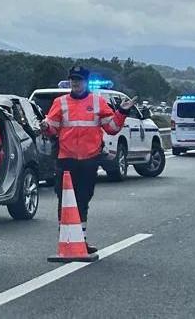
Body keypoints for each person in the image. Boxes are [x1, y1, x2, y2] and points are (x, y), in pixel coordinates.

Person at [40, 66, 136, 253]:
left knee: (83, 200)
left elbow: (113, 128)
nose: (75, 83)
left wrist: (122, 112)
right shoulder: (60, 102)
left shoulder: (97, 102)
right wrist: (45, 126)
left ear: (86, 81)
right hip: (66, 159)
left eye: (79, 79)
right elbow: (52, 128)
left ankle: (80, 241)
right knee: (65, 200)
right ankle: (66, 240)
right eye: (72, 79)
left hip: (89, 159)